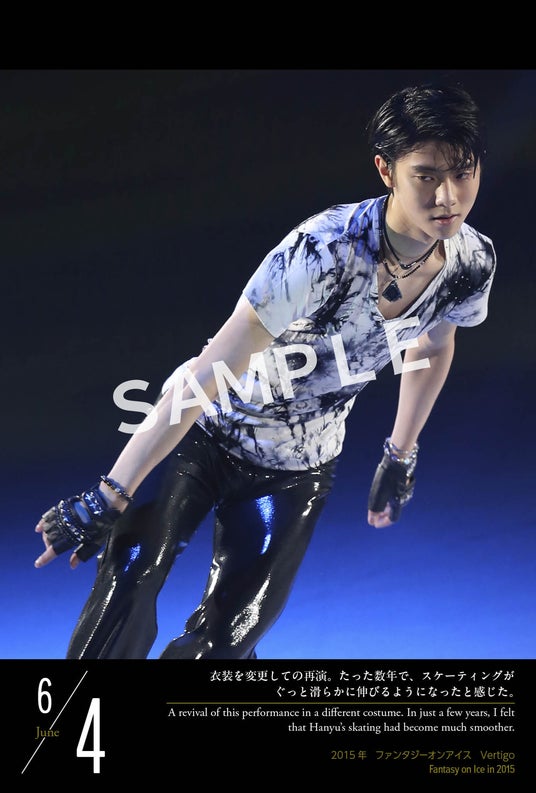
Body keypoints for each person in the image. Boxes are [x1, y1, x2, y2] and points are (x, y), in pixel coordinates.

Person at [34, 82, 496, 660]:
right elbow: (207, 376)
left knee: (224, 646)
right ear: (386, 170)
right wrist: (109, 494)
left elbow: (433, 344)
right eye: (426, 175)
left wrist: (400, 455)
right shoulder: (321, 252)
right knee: (127, 584)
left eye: (463, 173)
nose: (448, 196)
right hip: (202, 431)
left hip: (297, 464)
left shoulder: (471, 262)